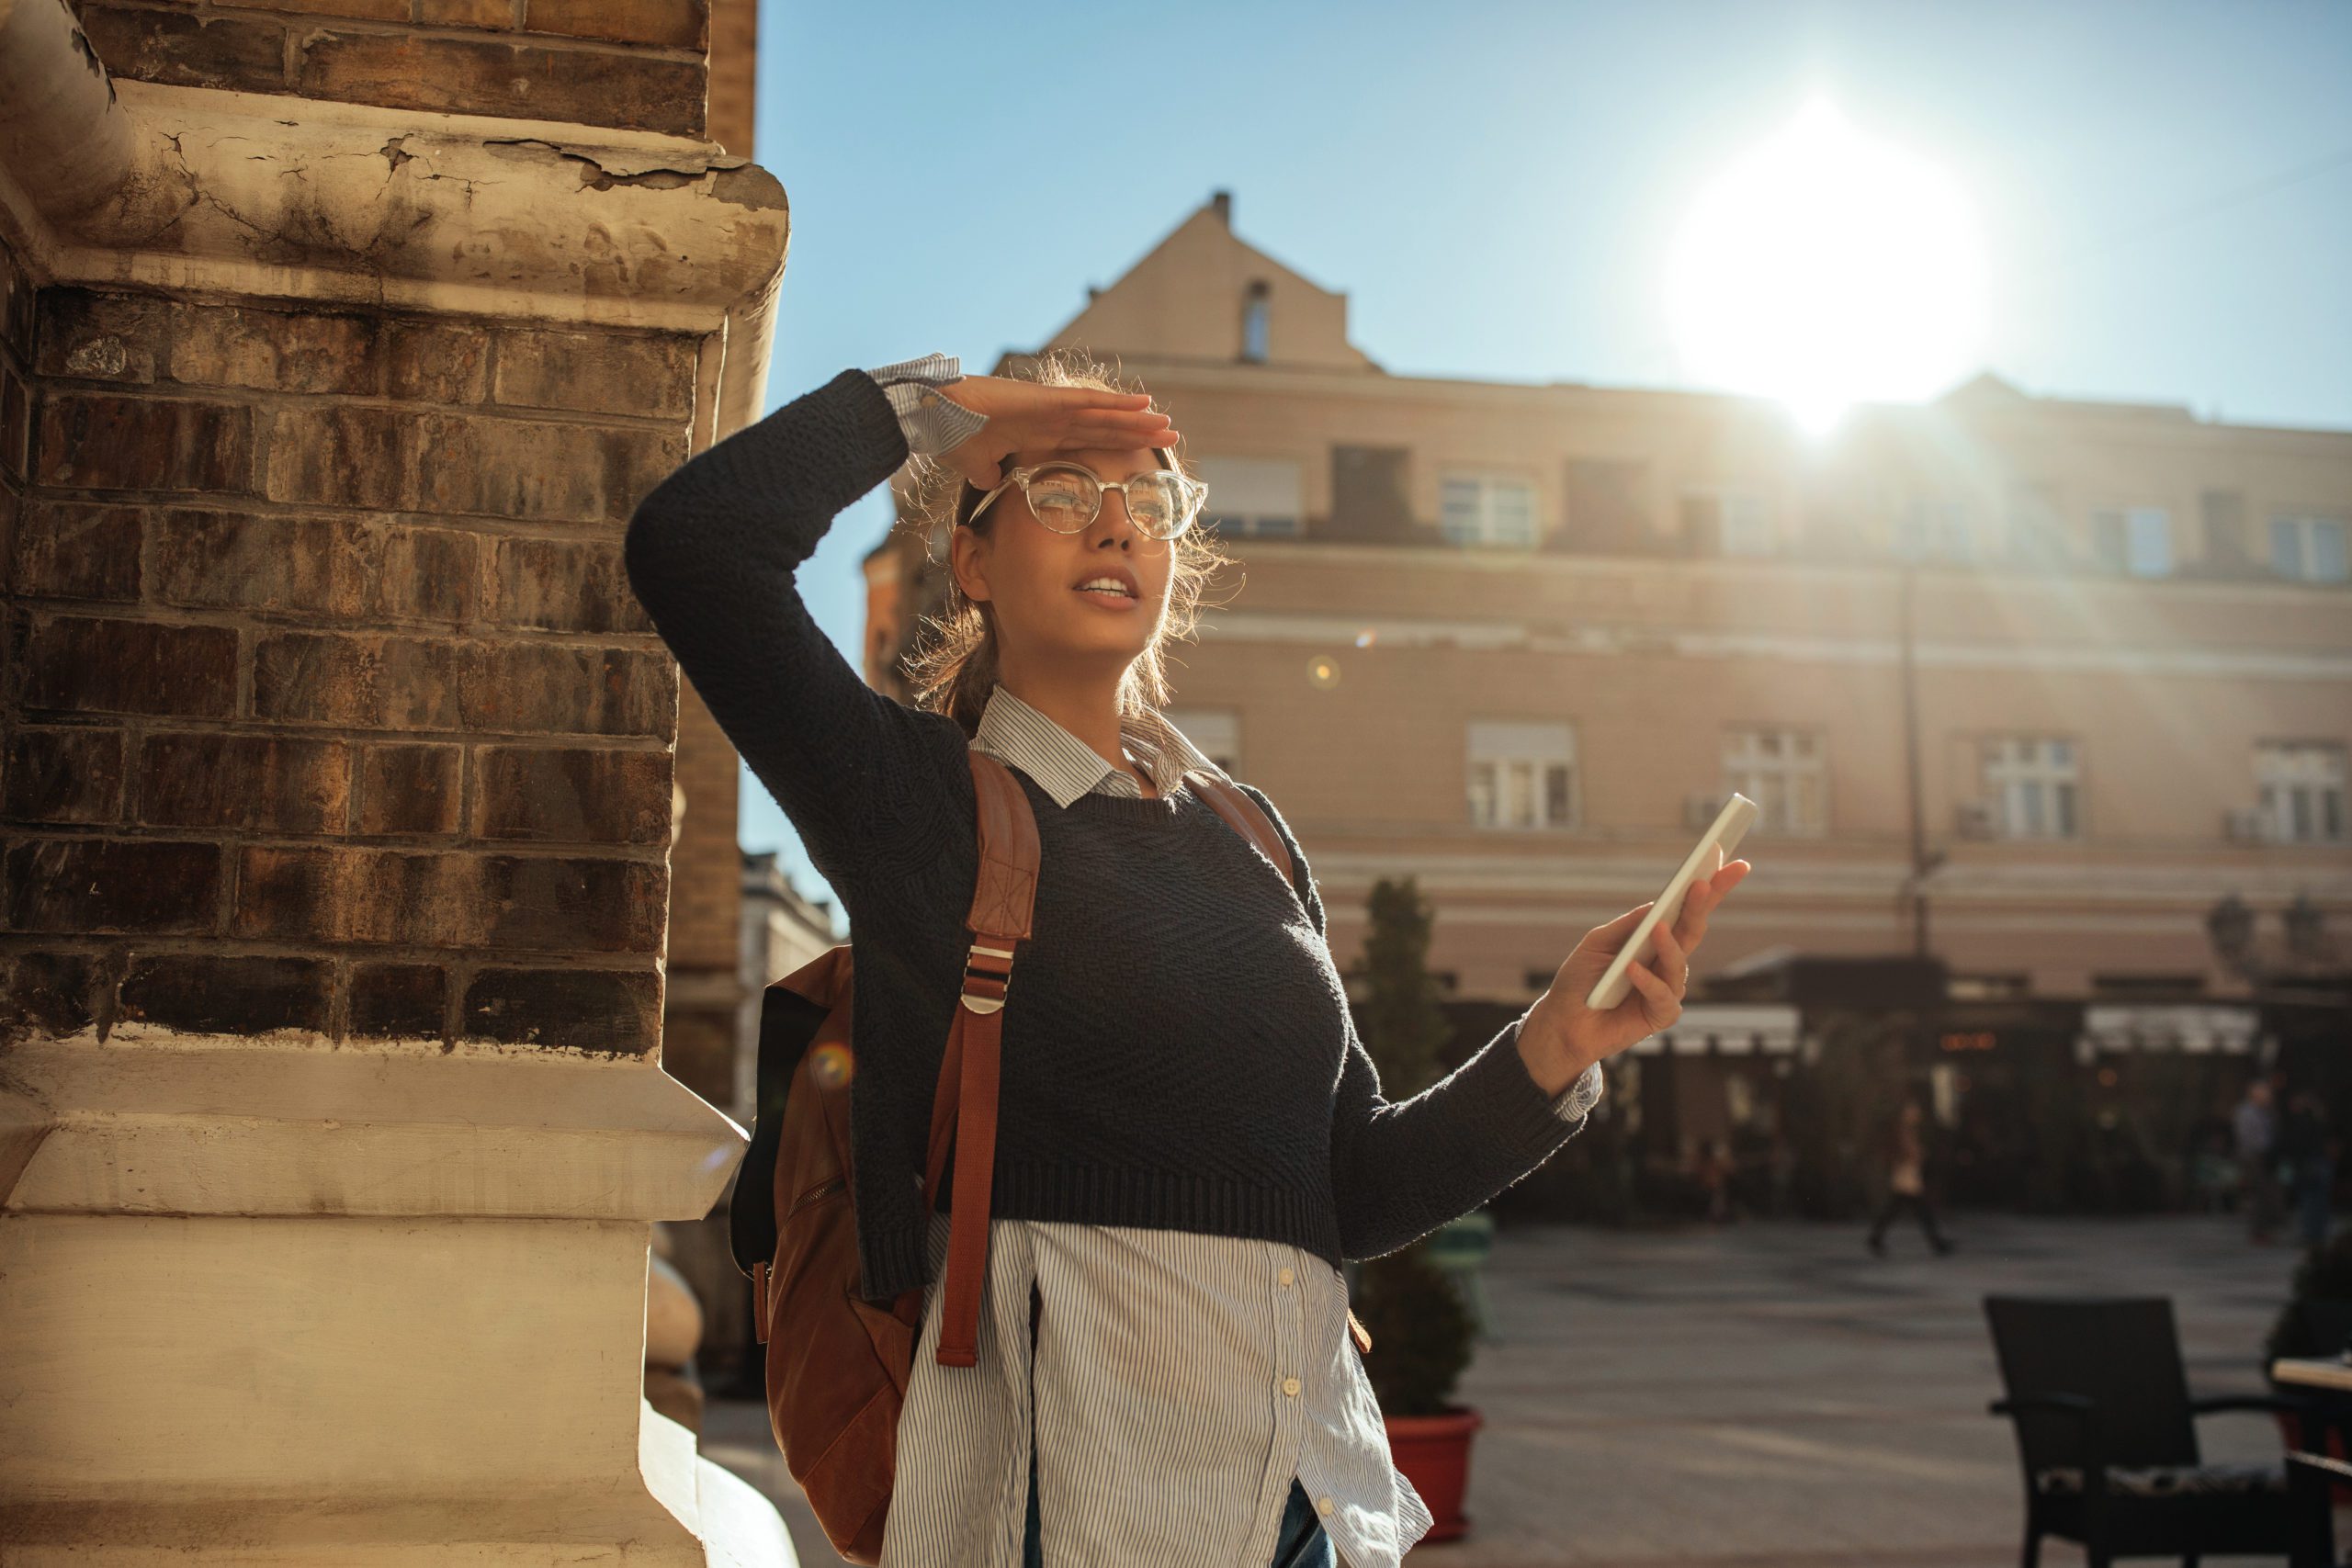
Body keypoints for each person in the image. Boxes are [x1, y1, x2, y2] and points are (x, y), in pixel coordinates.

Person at [623, 350, 1751, 1568]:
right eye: (1060, 490)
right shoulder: (922, 805)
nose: (1115, 521)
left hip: (1304, 1487)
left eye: (1151, 504)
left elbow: (1351, 1188)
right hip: (1070, 1497)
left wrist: (1556, 1042)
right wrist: (933, 409)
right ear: (975, 562)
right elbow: (698, 546)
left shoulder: (1248, 830)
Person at [1867, 1100, 1952, 1257]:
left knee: (1898, 1209)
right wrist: (1915, 1155)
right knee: (1916, 1210)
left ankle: (1876, 1238)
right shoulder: (1902, 1131)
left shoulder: (1908, 1131)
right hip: (1906, 1175)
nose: (1916, 1115)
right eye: (1913, 1112)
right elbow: (1902, 1153)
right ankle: (1937, 1243)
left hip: (1908, 1175)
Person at [2279, 1088, 2335, 1252]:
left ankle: (2312, 1235)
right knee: (2318, 1201)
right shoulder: (2317, 1120)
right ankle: (2318, 1235)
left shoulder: (2302, 1122)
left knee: (2311, 1201)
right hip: (2318, 1163)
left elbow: (2299, 1146)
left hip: (2310, 1164)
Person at [2236, 1078, 2282, 1244]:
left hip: (2265, 1157)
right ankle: (2258, 1231)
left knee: (2267, 1194)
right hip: (2255, 1157)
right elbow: (2250, 1138)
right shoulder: (2247, 1113)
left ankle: (2264, 1229)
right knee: (2259, 1194)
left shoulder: (2265, 1112)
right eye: (2265, 1093)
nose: (2268, 1097)